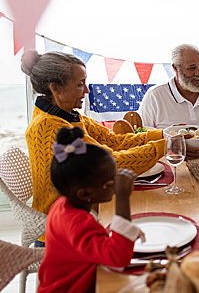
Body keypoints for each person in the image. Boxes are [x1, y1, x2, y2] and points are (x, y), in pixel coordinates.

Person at [22, 51, 164, 243]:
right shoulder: (50, 127)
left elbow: (113, 141)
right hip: (61, 234)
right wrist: (165, 147)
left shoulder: (67, 115)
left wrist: (164, 135)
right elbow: (112, 162)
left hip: (80, 217)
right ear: (56, 88)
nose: (87, 90)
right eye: (80, 84)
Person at [38, 127, 144, 293]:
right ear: (85, 193)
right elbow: (117, 257)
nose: (116, 182)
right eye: (110, 180)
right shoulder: (76, 222)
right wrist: (123, 197)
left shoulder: (63, 205)